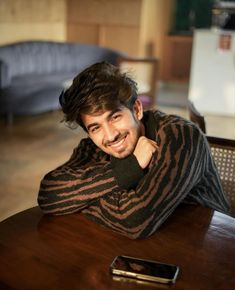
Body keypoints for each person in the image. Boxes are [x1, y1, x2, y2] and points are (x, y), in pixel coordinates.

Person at [38, 61, 230, 239]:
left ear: (137, 110)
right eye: (95, 127)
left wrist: (81, 198)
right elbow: (49, 194)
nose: (110, 135)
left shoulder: (181, 136)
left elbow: (135, 221)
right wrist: (132, 165)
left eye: (115, 117)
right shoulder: (93, 147)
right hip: (153, 247)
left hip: (211, 243)